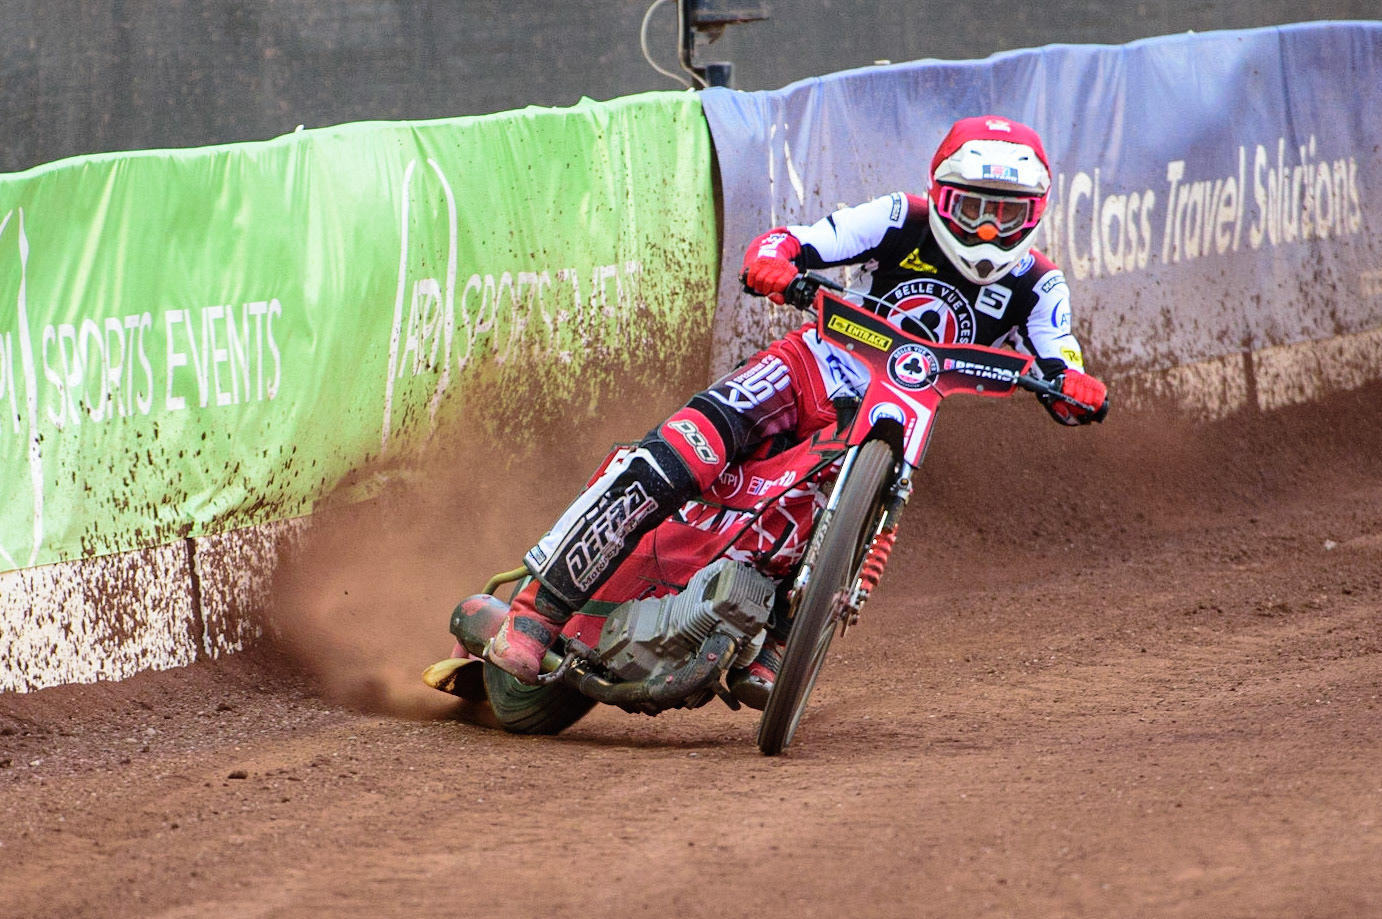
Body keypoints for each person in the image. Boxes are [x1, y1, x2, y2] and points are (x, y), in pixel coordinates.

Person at [486, 114, 1109, 708]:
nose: (986, 232)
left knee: (825, 520)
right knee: (681, 454)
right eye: (971, 209)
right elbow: (802, 241)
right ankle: (538, 611)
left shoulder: (1040, 286)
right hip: (810, 366)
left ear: (1035, 214)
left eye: (1005, 215)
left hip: (893, 416)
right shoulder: (900, 217)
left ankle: (782, 640)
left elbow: (1065, 363)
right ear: (940, 195)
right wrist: (774, 261)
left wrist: (1075, 389)